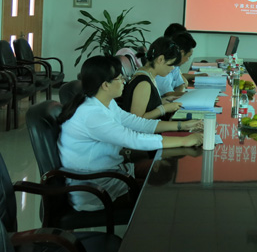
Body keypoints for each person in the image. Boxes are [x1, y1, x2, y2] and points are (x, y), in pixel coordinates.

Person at [58, 55, 203, 211]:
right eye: (120, 78)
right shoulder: (91, 115)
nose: (124, 81)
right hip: (98, 190)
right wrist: (185, 140)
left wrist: (181, 125)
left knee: (168, 169)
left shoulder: (104, 102)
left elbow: (137, 123)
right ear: (105, 85)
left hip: (115, 172)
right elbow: (133, 139)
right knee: (166, 193)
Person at [120, 37, 183, 119]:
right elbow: (137, 119)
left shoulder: (148, 74)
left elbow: (148, 105)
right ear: (160, 59)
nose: (172, 68)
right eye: (171, 64)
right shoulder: (143, 84)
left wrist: (163, 100)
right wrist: (164, 108)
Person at [156, 31, 197, 97]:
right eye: (188, 56)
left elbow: (181, 84)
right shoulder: (164, 67)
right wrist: (193, 96)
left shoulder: (175, 66)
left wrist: (180, 94)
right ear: (182, 53)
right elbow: (169, 94)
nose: (188, 60)